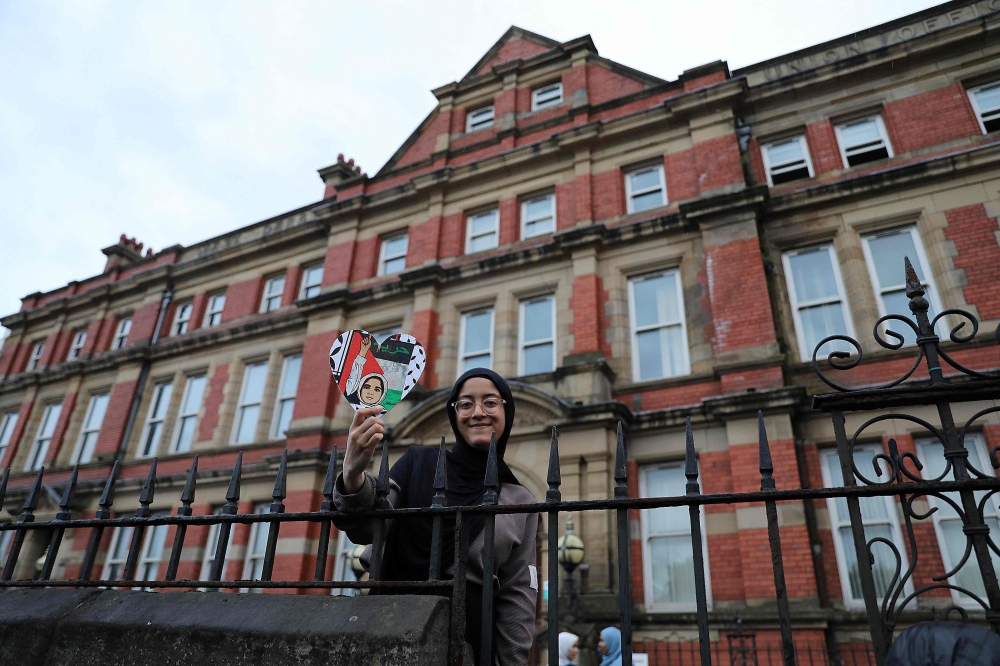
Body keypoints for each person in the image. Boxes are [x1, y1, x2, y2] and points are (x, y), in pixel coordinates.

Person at [334, 368, 538, 665]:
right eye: (466, 403)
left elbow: (518, 595)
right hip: (389, 623)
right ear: (454, 415)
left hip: (469, 641)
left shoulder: (520, 500)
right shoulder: (418, 463)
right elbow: (371, 524)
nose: (478, 412)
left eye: (491, 402)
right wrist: (353, 474)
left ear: (508, 411)